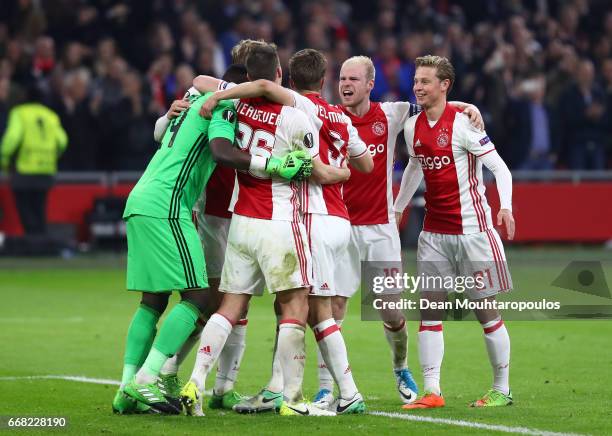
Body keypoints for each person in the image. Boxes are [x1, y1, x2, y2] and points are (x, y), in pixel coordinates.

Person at [113, 62, 312, 415]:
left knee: (153, 301)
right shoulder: (223, 104)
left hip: (143, 198)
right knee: (199, 295)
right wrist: (274, 165)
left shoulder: (192, 97)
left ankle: (125, 390)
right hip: (169, 205)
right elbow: (222, 150)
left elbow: (164, 129)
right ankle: (147, 379)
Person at [197, 48, 375, 415]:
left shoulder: (299, 109)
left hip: (311, 216)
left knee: (313, 311)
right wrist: (344, 169)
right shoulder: (339, 116)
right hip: (340, 218)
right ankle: (294, 390)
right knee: (301, 306)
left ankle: (327, 393)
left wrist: (218, 94)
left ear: (290, 80)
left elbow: (253, 85)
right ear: (325, 80)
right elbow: (367, 163)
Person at [335, 56, 484, 405]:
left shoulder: (392, 113)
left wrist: (469, 106)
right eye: (342, 77)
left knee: (390, 311)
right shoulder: (330, 116)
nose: (346, 84)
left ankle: (400, 366)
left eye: (354, 78)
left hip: (381, 231)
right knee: (334, 308)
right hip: (340, 228)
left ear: (370, 84)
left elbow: (437, 102)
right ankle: (330, 387)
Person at [394, 55, 514, 410]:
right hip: (434, 233)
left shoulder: (464, 124)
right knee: (429, 310)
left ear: (444, 85)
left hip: (474, 231)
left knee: (485, 310)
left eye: (426, 81)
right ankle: (432, 392)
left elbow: (500, 169)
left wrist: (505, 206)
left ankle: (502, 388)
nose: (418, 86)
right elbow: (415, 166)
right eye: (416, 80)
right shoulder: (412, 127)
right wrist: (398, 206)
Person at [150, 41, 262, 414]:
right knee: (212, 303)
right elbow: (160, 131)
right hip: (213, 215)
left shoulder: (254, 100)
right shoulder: (215, 92)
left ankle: (222, 386)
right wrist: (170, 115)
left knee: (234, 302)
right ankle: (165, 371)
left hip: (242, 215)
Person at [0, 84, 67, 236]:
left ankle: (32, 242)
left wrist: (3, 160)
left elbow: (11, 139)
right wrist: (53, 155)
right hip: (46, 170)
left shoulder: (19, 113)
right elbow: (62, 140)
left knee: (25, 209)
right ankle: (41, 241)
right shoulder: (51, 115)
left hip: (24, 170)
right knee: (39, 207)